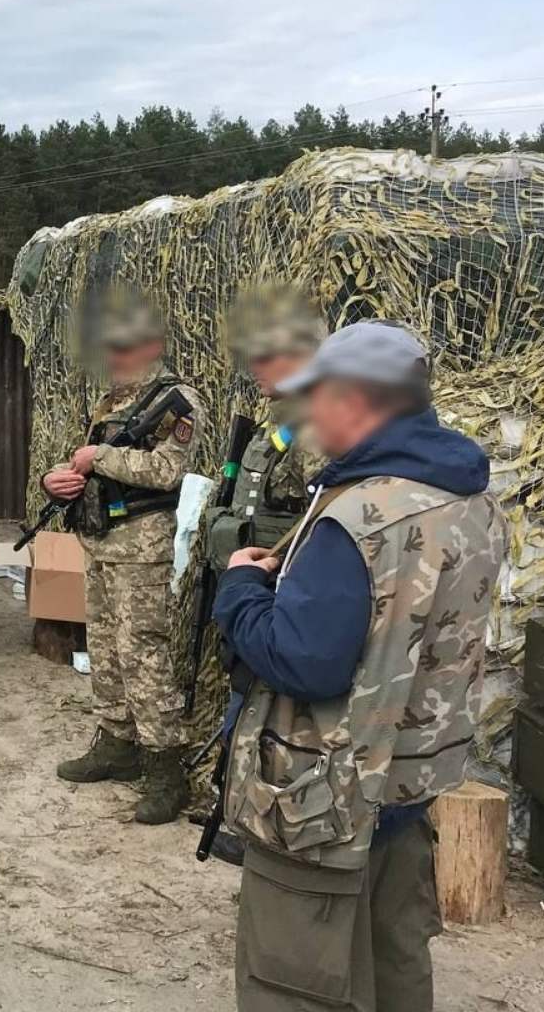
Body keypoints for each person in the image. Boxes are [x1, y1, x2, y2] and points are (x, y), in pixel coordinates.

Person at [213, 322, 504, 1012]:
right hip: (408, 782)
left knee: (294, 977)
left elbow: (304, 661)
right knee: (395, 957)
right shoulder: (472, 498)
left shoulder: (359, 517)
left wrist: (237, 593)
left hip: (323, 796)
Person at [49, 300, 206, 824]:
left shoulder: (178, 402)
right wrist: (60, 478)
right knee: (106, 648)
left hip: (142, 549)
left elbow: (166, 471)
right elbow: (84, 457)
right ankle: (116, 743)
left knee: (144, 653)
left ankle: (166, 769)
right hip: (101, 540)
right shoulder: (111, 400)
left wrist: (100, 458)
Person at [193, 295, 328, 862]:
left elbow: (323, 518)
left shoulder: (315, 427)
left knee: (265, 714)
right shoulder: (281, 422)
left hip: (279, 597)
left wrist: (273, 566)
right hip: (251, 589)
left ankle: (261, 832)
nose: (253, 365)